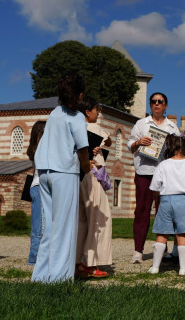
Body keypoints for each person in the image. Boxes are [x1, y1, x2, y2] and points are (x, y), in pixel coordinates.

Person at [31, 73, 90, 283]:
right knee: (64, 227)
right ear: (80, 94)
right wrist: (87, 168)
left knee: (50, 226)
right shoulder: (77, 117)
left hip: (44, 171)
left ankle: (40, 276)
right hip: (64, 172)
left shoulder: (55, 112)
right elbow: (83, 148)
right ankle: (59, 279)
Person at [127, 92, 185, 263]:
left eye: (160, 101)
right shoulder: (141, 124)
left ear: (165, 106)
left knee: (164, 212)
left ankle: (162, 250)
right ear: (150, 105)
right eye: (153, 101)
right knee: (142, 210)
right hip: (144, 171)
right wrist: (138, 143)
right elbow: (129, 144)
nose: (156, 104)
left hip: (165, 174)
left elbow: (179, 148)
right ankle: (138, 251)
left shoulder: (171, 127)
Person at [147, 135, 185, 276]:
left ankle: (155, 267)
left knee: (162, 233)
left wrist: (159, 196)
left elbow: (154, 186)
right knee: (182, 233)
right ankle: (183, 268)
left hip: (166, 199)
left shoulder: (163, 164)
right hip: (184, 200)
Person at [76, 96, 113, 279]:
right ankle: (89, 263)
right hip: (92, 174)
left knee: (81, 219)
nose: (98, 112)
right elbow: (110, 141)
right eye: (96, 109)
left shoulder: (73, 127)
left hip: (78, 175)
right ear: (87, 111)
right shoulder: (94, 128)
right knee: (98, 218)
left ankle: (75, 262)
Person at [25, 120, 46, 266]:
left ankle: (37, 257)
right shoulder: (40, 149)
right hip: (39, 186)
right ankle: (34, 259)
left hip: (37, 186)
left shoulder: (35, 148)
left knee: (40, 224)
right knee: (39, 226)